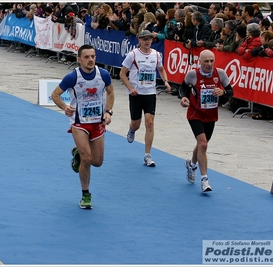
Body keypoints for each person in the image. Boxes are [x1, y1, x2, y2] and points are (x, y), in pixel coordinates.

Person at [51, 44, 115, 209]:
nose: (90, 60)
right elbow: (55, 94)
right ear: (79, 60)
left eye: (93, 56)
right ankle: (85, 195)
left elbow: (110, 92)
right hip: (79, 123)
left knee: (97, 161)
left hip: (97, 122)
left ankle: (77, 154)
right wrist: (65, 107)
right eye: (86, 57)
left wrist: (108, 112)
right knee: (87, 159)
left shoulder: (104, 75)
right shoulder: (72, 77)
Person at [179, 49, 233, 192]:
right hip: (195, 114)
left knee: (202, 144)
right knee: (203, 144)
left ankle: (191, 164)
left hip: (211, 116)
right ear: (200, 62)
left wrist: (223, 93)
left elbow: (231, 92)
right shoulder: (193, 74)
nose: (209, 64)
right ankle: (205, 180)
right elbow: (182, 88)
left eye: (211, 61)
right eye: (206, 61)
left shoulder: (220, 74)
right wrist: (183, 98)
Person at [119, 29, 171, 167]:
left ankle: (147, 156)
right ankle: (131, 129)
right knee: (136, 124)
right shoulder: (132, 55)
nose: (147, 41)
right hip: (136, 94)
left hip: (150, 93)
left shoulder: (156, 55)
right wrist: (131, 88)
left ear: (152, 40)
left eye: (149, 39)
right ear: (139, 40)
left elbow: (161, 69)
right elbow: (122, 74)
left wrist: (165, 81)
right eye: (144, 39)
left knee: (150, 123)